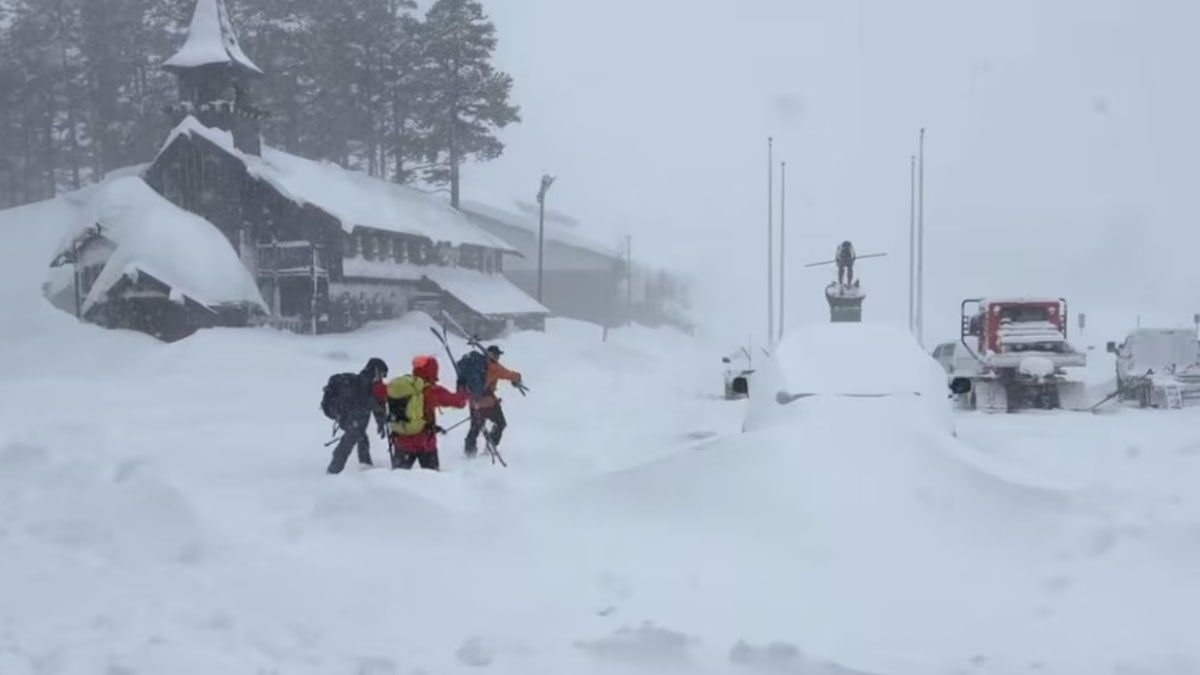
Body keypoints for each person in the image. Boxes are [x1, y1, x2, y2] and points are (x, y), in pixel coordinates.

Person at [387, 355, 469, 471]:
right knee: (433, 482)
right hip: (425, 443)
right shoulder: (432, 391)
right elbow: (460, 402)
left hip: (401, 441)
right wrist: (462, 388)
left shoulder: (405, 387)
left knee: (397, 480)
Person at [322, 358, 389, 474]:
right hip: (352, 417)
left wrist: (380, 420)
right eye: (382, 374)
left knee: (361, 437)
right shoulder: (366, 381)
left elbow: (372, 402)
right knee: (349, 440)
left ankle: (364, 466)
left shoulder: (365, 380)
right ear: (377, 370)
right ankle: (333, 471)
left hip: (354, 417)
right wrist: (381, 416)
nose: (382, 378)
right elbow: (370, 401)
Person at [464, 345, 522, 458]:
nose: (498, 357)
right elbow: (509, 374)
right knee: (500, 423)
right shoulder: (494, 367)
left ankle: (469, 453)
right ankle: (490, 448)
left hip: (473, 401)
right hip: (487, 401)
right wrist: (518, 377)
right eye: (497, 354)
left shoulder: (476, 364)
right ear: (492, 354)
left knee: (475, 427)